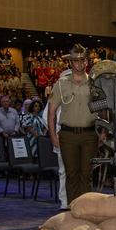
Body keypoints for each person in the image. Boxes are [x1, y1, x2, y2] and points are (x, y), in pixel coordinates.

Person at [47, 44, 97, 204]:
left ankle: (85, 209)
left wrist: (103, 132)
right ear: (71, 63)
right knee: (71, 174)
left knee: (87, 174)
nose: (79, 64)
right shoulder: (61, 84)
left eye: (82, 60)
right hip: (67, 135)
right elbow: (52, 111)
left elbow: (103, 108)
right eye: (76, 60)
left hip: (90, 134)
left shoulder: (94, 83)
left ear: (87, 62)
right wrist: (53, 135)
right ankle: (73, 210)